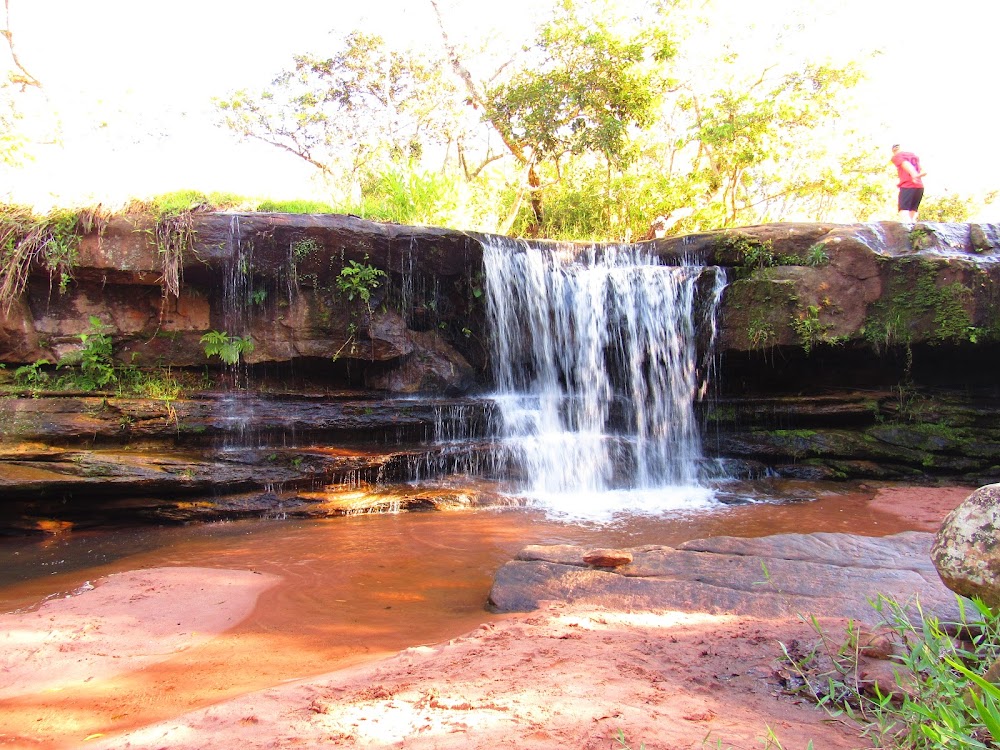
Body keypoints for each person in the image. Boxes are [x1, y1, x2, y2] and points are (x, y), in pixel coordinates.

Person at [890, 144, 926, 221]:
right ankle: (912, 227)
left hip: (908, 185)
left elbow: (906, 164)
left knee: (903, 210)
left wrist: (914, 174)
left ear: (894, 150)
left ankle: (907, 229)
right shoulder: (913, 156)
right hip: (919, 187)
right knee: (913, 210)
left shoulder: (897, 156)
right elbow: (922, 169)